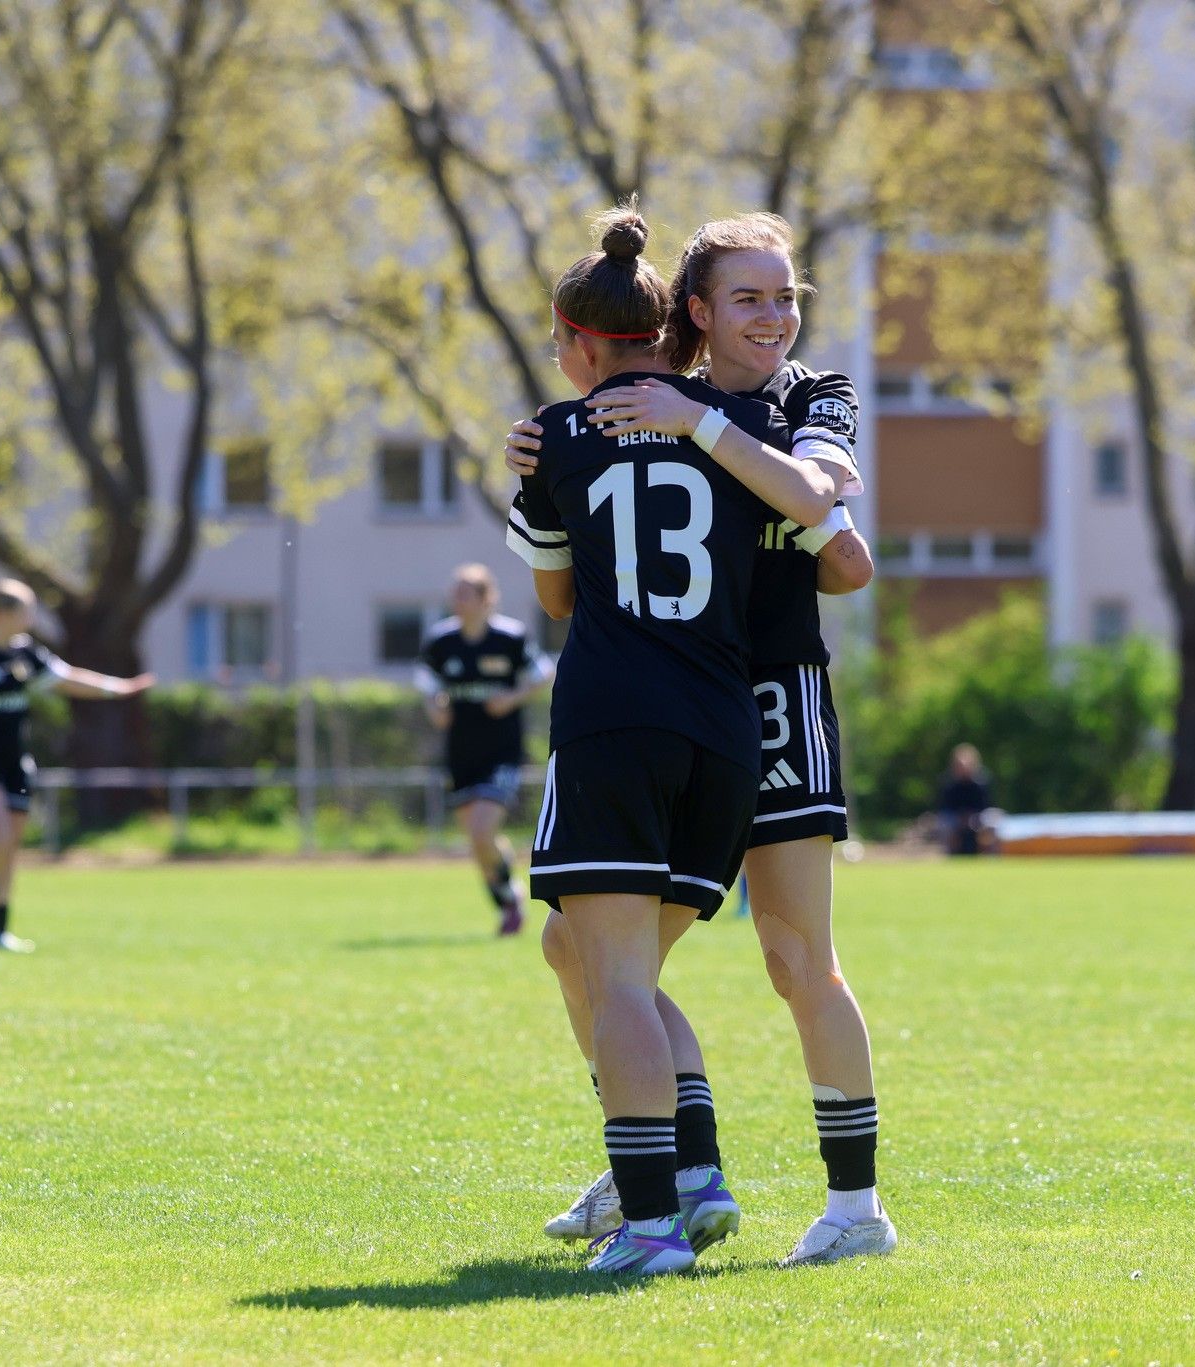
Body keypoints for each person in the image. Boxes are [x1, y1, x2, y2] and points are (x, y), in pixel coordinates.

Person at [509, 212, 895, 1267]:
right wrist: (552, 447)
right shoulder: (647, 402)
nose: (773, 316)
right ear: (694, 310)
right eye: (747, 297)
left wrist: (701, 432)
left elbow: (842, 545)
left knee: (793, 957)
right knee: (579, 949)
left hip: (771, 699)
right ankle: (667, 1158)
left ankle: (849, 1204)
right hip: (698, 702)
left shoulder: (806, 398)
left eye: (784, 297)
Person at [0, 579, 154, 953]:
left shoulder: (26, 654)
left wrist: (119, 688)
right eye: (27, 609)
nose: (32, 616)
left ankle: (0, 931)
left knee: (11, 846)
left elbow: (68, 679)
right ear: (3, 614)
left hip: (15, 762)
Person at [416, 563, 552, 936]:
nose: (456, 600)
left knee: (481, 831)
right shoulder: (441, 641)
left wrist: (511, 698)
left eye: (465, 593)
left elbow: (544, 672)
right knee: (480, 844)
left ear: (485, 599)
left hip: (502, 753)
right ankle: (509, 900)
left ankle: (509, 904)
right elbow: (426, 683)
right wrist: (435, 707)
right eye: (454, 592)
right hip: (461, 753)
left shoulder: (510, 637)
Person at [936, 744, 993, 855]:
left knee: (992, 821)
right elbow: (944, 808)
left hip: (977, 817)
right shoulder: (948, 783)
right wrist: (961, 817)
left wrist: (971, 817)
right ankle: (951, 854)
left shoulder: (982, 782)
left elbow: (986, 806)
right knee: (945, 823)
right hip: (955, 817)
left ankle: (988, 855)